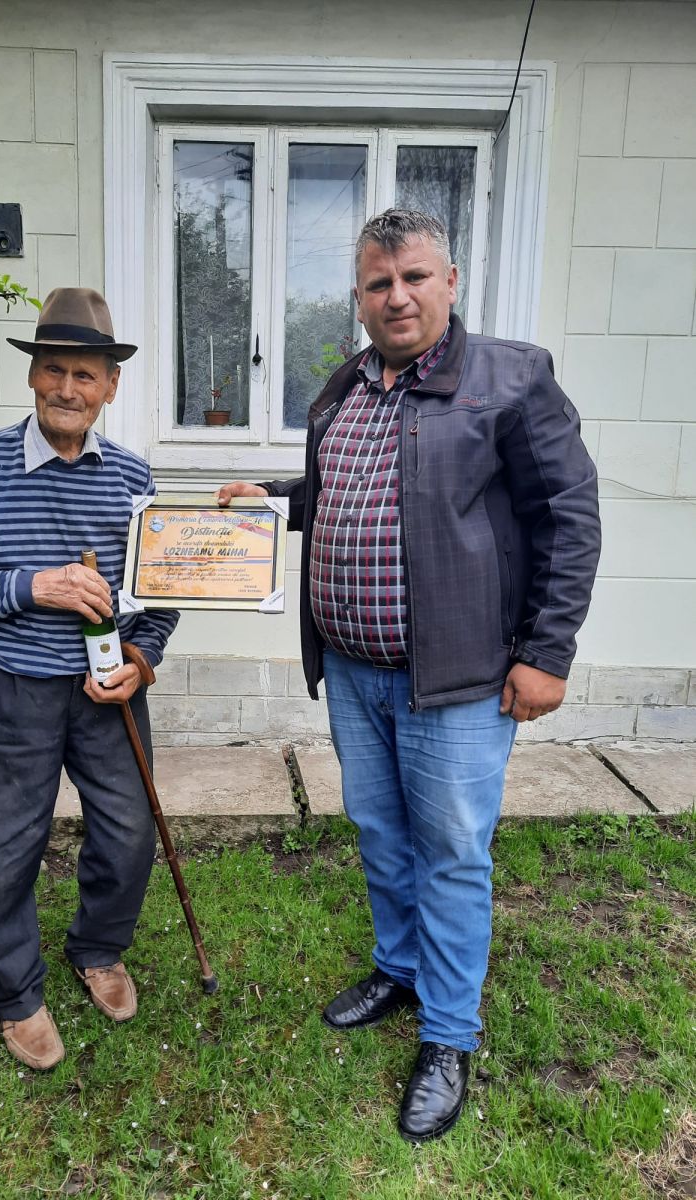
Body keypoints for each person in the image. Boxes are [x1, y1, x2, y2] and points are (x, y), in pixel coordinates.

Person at [218, 209, 600, 1142]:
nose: (397, 297)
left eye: (415, 277)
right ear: (358, 298)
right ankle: (400, 967)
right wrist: (272, 501)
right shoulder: (345, 386)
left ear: (450, 282)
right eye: (378, 283)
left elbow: (568, 517)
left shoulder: (511, 380)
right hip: (354, 671)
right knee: (381, 832)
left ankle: (448, 1034)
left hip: (460, 681)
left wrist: (546, 654)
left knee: (453, 853)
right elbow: (343, 494)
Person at [0, 288, 179, 1071]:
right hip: (8, 688)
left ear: (111, 386)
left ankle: (97, 948)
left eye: (84, 375)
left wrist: (141, 661)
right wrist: (35, 586)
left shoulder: (133, 478)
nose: (67, 388)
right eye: (53, 370)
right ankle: (14, 993)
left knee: (129, 833)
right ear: (32, 375)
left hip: (106, 692)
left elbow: (159, 596)